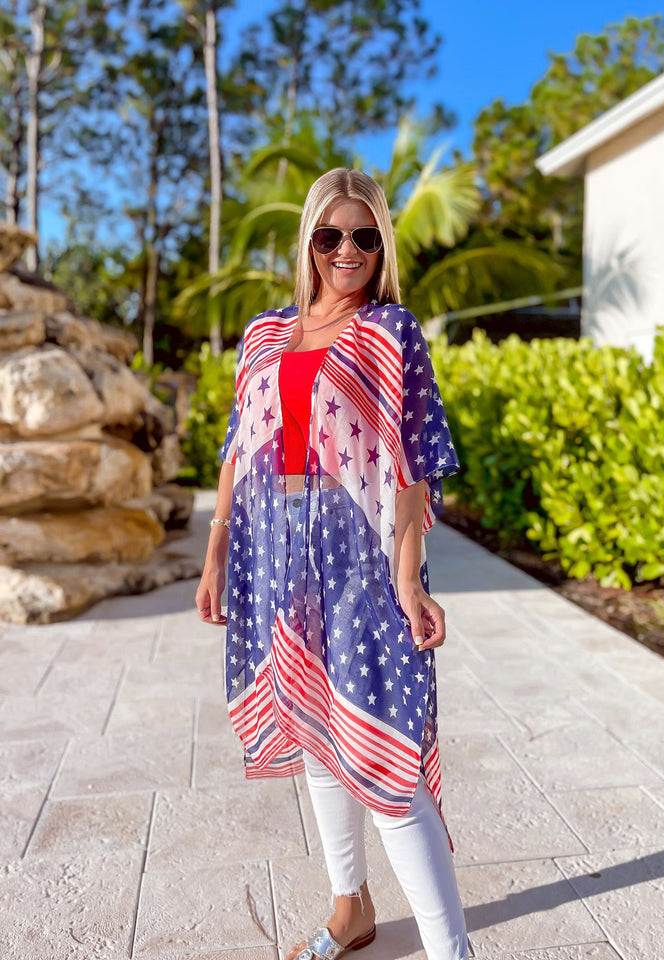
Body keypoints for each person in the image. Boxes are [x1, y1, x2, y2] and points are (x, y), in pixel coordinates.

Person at [196, 168, 468, 960]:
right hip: (272, 549)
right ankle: (351, 908)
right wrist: (216, 552)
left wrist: (408, 577)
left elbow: (413, 464)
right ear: (308, 241)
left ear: (382, 246)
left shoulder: (389, 331)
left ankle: (452, 953)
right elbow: (236, 446)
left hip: (358, 553)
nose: (346, 250)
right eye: (330, 235)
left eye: (364, 236)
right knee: (317, 733)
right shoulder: (264, 333)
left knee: (386, 758)